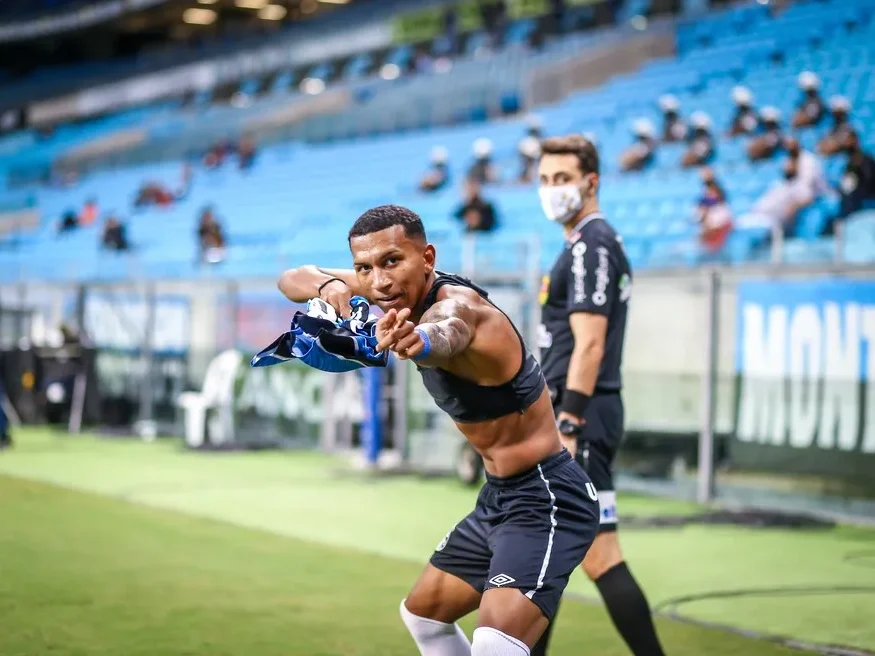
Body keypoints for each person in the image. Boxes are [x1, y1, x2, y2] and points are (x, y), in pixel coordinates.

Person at [277, 204, 600, 655]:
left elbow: (447, 332)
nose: (379, 281)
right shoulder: (386, 287)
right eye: (363, 269)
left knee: (494, 645)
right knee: (424, 616)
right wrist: (332, 285)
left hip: (549, 498)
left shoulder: (461, 308)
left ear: (427, 258)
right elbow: (293, 277)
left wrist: (416, 342)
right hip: (499, 499)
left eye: (392, 261)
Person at [531, 134, 666, 656]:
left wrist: (567, 423)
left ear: (592, 181)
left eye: (561, 179)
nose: (551, 190)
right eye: (543, 180)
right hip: (576, 413)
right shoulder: (583, 243)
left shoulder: (592, 243)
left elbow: (590, 345)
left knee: (598, 554)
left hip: (580, 417)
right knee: (548, 554)